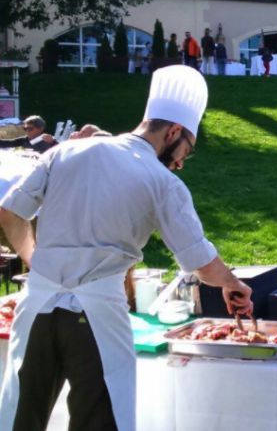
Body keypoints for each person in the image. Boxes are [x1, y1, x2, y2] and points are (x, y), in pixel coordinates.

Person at [0, 66, 254, 431]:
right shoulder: (162, 181)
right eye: (186, 150)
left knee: (18, 419)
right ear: (174, 132)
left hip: (36, 306)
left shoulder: (67, 152)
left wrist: (37, 260)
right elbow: (200, 261)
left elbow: (10, 213)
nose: (182, 161)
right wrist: (233, 283)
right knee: (102, 420)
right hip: (96, 316)